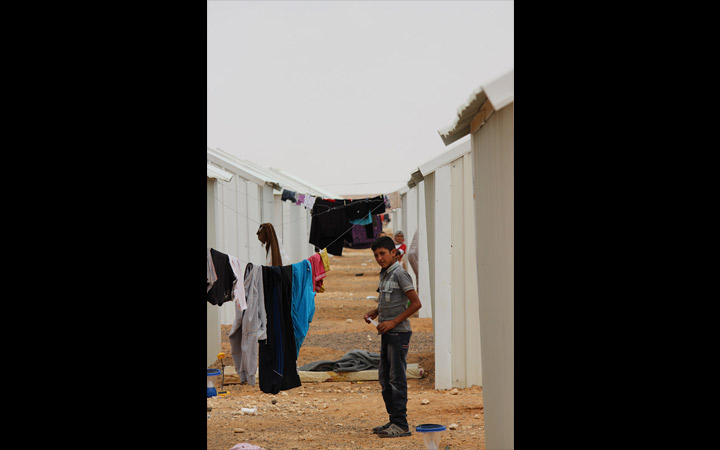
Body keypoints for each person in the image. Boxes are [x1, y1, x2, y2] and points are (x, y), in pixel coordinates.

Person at [363, 236, 422, 438]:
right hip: (387, 332)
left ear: (394, 254)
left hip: (399, 333)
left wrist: (394, 322)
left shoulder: (400, 274)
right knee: (385, 377)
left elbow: (415, 303)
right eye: (376, 255)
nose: (379, 258)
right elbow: (389, 300)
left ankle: (401, 424)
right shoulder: (385, 274)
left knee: (397, 378)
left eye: (383, 254)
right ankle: (393, 419)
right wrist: (376, 312)